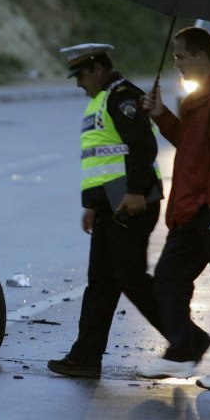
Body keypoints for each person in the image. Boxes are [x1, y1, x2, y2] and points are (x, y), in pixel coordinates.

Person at [138, 26, 210, 391]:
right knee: (168, 279)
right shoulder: (201, 96)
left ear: (202, 56)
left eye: (181, 56)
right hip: (193, 209)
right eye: (174, 56)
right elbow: (190, 145)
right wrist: (161, 114)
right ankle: (184, 349)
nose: (176, 63)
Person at [48, 43, 165, 379]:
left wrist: (136, 191)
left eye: (81, 75)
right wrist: (93, 206)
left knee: (131, 279)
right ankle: (85, 357)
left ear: (97, 68)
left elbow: (142, 145)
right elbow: (102, 158)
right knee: (101, 283)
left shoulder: (122, 96)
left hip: (131, 203)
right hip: (110, 205)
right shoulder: (102, 99)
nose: (78, 83)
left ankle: (185, 339)